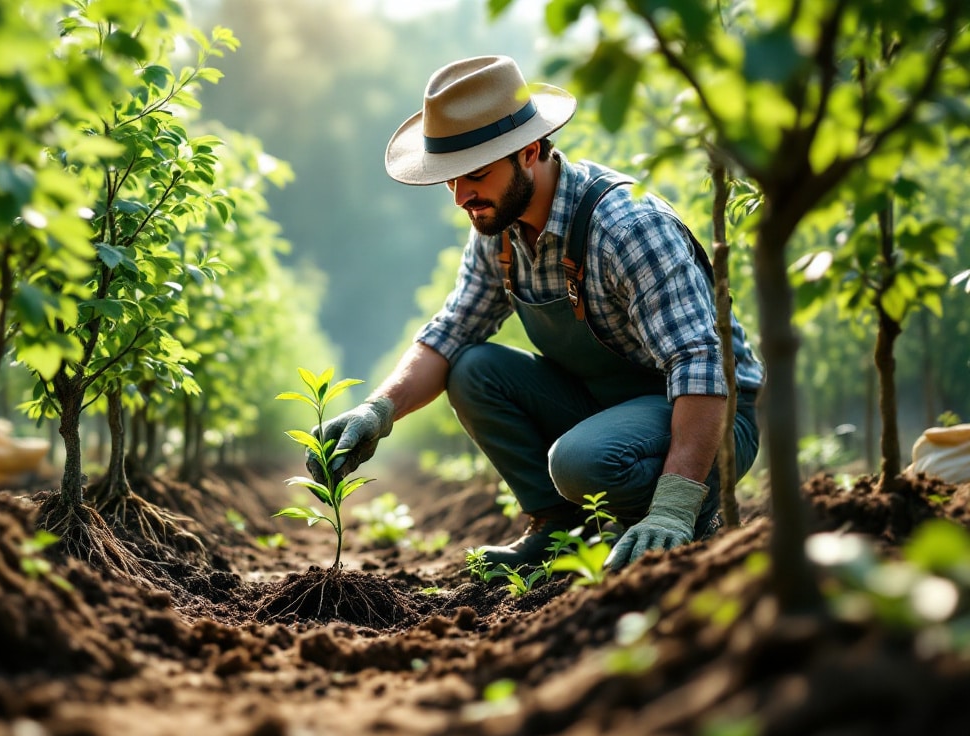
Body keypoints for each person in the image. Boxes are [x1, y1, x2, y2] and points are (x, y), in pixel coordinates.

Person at [309, 55, 764, 571]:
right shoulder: (497, 229)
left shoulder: (627, 227)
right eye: (449, 179)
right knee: (474, 369)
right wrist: (378, 409)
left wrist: (674, 508)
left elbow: (700, 363)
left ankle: (690, 514)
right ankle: (559, 528)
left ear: (528, 151)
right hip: (610, 408)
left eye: (475, 174)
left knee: (581, 461)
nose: (461, 196)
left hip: (711, 416)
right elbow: (452, 331)